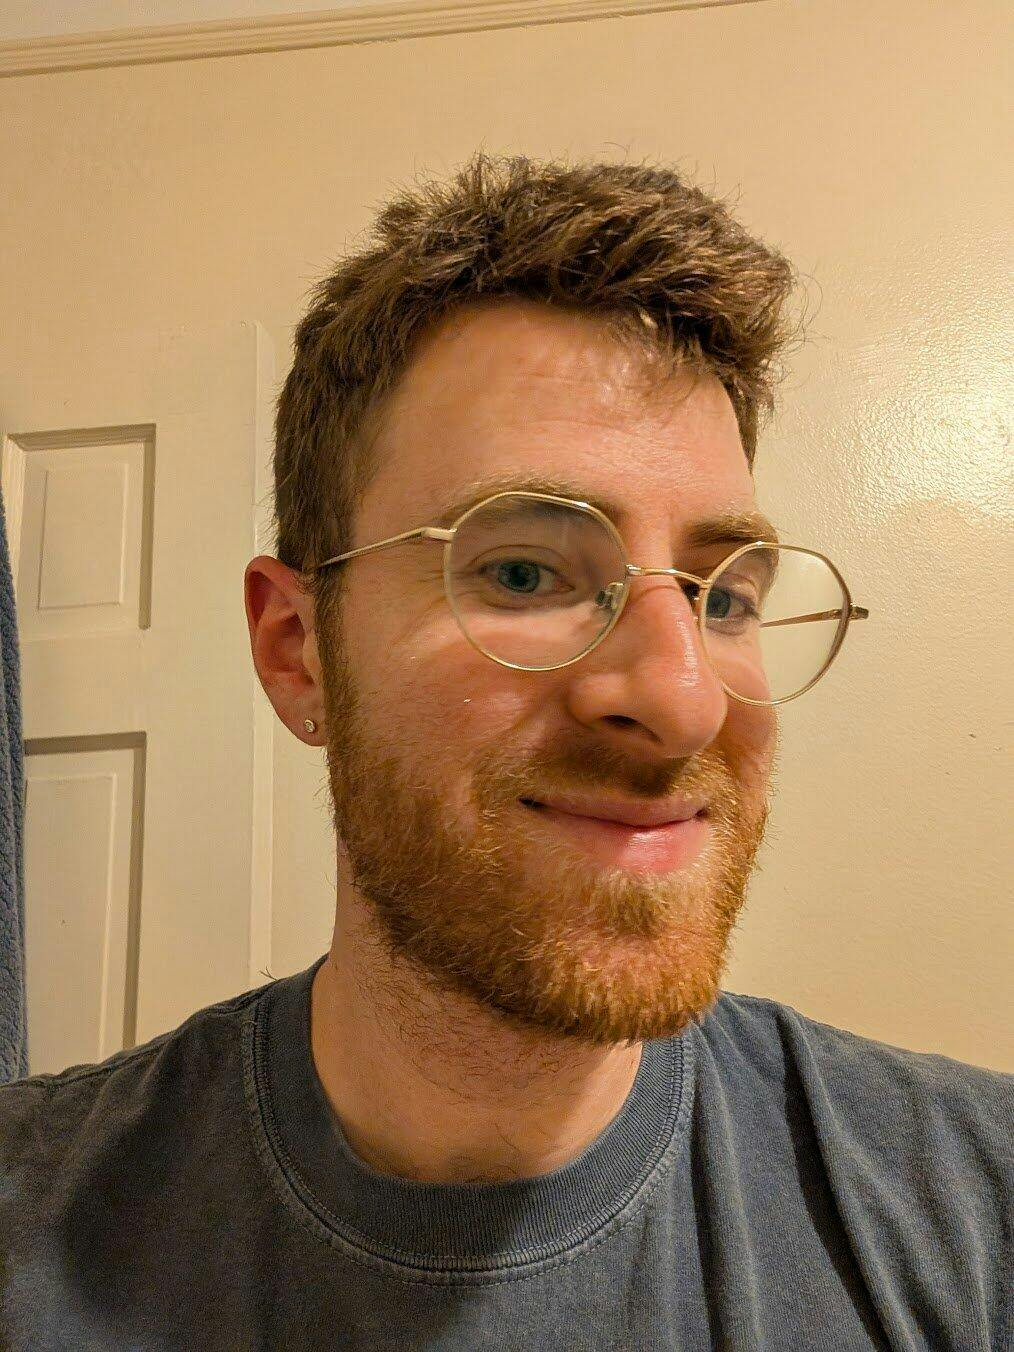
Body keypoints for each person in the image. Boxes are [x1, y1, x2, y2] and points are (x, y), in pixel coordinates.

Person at [1, 151, 1009, 1350]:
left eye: (724, 595)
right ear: (297, 649)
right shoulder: (31, 1227)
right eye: (525, 571)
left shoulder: (976, 1209)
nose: (684, 698)